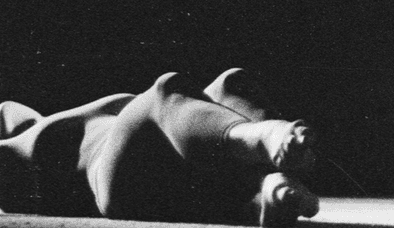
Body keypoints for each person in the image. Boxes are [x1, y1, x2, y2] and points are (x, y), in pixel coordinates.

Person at [0, 68, 318, 226]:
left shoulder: (27, 123)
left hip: (164, 166)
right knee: (164, 92)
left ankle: (266, 192)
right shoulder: (16, 155)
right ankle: (256, 138)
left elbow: (10, 110)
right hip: (115, 179)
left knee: (230, 84)